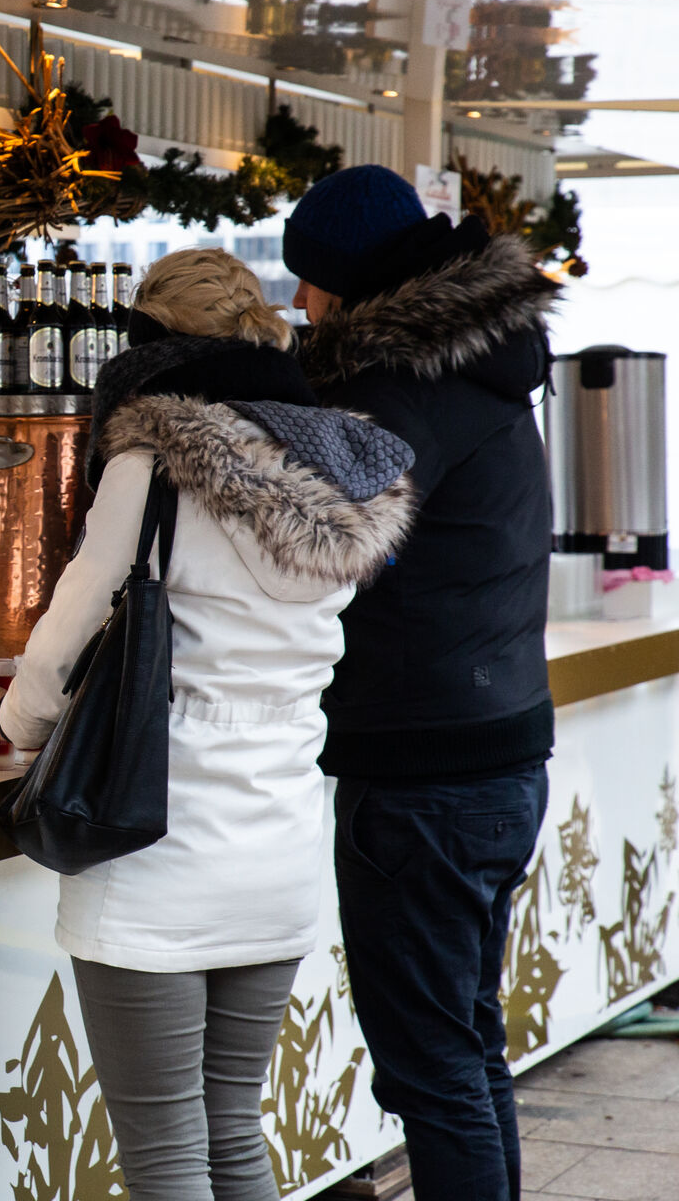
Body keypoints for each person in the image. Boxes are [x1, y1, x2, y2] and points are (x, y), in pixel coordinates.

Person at [0, 249, 415, 1200]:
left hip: (153, 850)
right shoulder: (342, 470)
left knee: (165, 1152)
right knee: (234, 1135)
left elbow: (69, 627)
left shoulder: (154, 464)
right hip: (281, 842)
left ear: (153, 345)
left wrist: (14, 718)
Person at [286, 165, 557, 1201]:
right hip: (492, 752)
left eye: (310, 285)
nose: (300, 306)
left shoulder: (398, 392)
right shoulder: (479, 364)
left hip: (424, 773)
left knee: (433, 1065)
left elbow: (316, 545)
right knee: (467, 1045)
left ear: (350, 289)